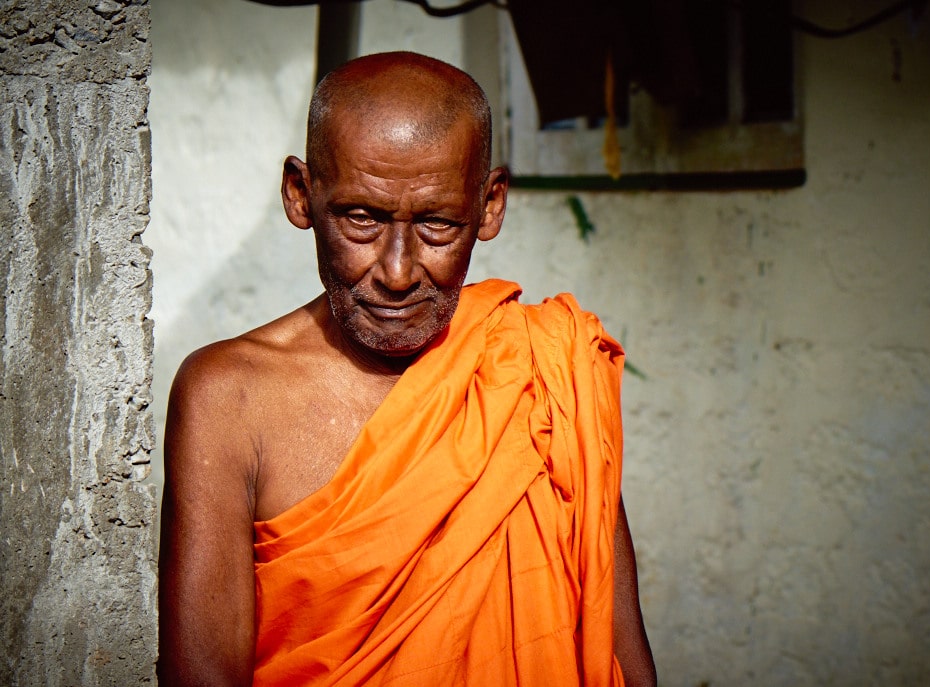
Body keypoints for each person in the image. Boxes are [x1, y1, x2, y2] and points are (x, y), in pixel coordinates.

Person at [158, 51, 656, 687]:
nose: (397, 272)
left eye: (438, 224)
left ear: (491, 204)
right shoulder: (230, 398)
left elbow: (624, 661)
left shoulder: (545, 375)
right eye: (361, 218)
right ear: (300, 194)